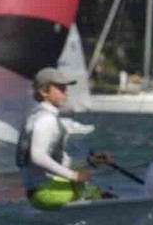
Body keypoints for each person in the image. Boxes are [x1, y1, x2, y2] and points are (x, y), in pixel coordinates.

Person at [18, 67, 112, 210]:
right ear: (44, 92)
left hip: (41, 193)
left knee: (97, 192)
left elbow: (57, 162)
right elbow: (37, 157)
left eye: (65, 88)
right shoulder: (46, 120)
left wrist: (90, 161)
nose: (66, 92)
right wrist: (74, 176)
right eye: (60, 88)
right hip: (47, 192)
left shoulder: (36, 116)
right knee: (99, 196)